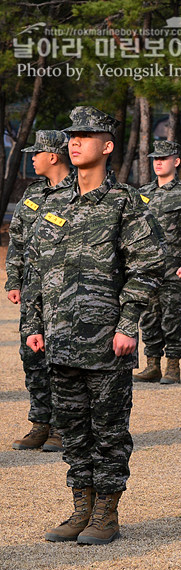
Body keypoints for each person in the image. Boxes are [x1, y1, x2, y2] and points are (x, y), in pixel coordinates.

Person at [23, 106, 165, 544]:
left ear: (107, 145)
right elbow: (37, 268)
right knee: (72, 428)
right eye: (72, 136)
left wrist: (127, 325)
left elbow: (147, 266)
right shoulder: (52, 202)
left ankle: (107, 512)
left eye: (87, 135)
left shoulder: (126, 203)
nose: (75, 142)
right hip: (60, 340)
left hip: (106, 342)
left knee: (108, 429)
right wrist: (35, 323)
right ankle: (80, 508)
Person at [7, 130, 75, 452]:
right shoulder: (32, 194)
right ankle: (40, 423)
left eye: (37, 153)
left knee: (61, 360)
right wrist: (13, 280)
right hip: (34, 294)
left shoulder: (79, 193)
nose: (31, 158)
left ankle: (63, 428)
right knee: (32, 358)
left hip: (65, 294)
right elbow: (17, 239)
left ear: (53, 156)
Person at [132, 141, 181, 385]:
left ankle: (173, 365)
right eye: (155, 159)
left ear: (176, 161)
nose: (158, 163)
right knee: (149, 317)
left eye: (164, 159)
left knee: (171, 316)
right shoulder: (143, 193)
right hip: (147, 268)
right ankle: (152, 364)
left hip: (174, 268)